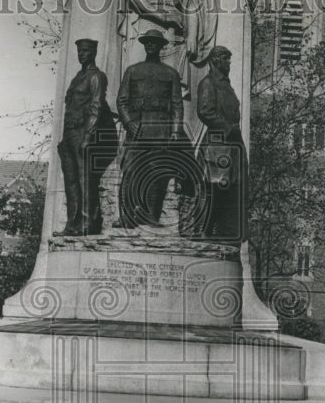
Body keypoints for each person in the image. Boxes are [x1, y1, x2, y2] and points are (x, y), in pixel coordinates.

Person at [116, 29, 190, 228]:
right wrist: (129, 123)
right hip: (137, 130)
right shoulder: (132, 71)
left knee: (158, 174)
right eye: (147, 42)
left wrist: (175, 131)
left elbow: (177, 105)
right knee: (130, 171)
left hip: (161, 130)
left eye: (154, 43)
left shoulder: (171, 74)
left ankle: (151, 216)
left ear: (160, 46)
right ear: (144, 45)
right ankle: (126, 216)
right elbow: (122, 101)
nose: (150, 45)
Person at [54, 39, 116, 236]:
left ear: (94, 53)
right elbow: (69, 109)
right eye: (79, 51)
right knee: (71, 181)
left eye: (85, 51)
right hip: (70, 135)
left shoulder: (97, 76)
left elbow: (96, 106)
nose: (81, 54)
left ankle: (89, 222)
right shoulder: (76, 78)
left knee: (85, 180)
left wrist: (88, 136)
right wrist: (64, 140)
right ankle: (72, 224)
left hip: (84, 133)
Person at [195, 45, 246, 243]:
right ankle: (205, 230)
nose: (229, 63)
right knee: (215, 190)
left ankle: (215, 231)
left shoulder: (226, 85)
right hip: (217, 144)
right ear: (216, 60)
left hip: (231, 145)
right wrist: (227, 127)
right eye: (226, 59)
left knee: (227, 190)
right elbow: (205, 111)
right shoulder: (209, 83)